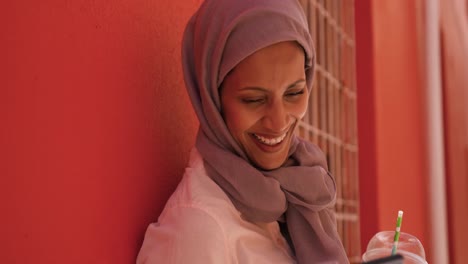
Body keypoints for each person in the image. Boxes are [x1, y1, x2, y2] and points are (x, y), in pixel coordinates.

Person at [137, 0, 349, 263]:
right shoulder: (197, 230)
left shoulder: (297, 188)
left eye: (293, 93)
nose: (278, 121)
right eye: (254, 100)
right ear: (213, 99)